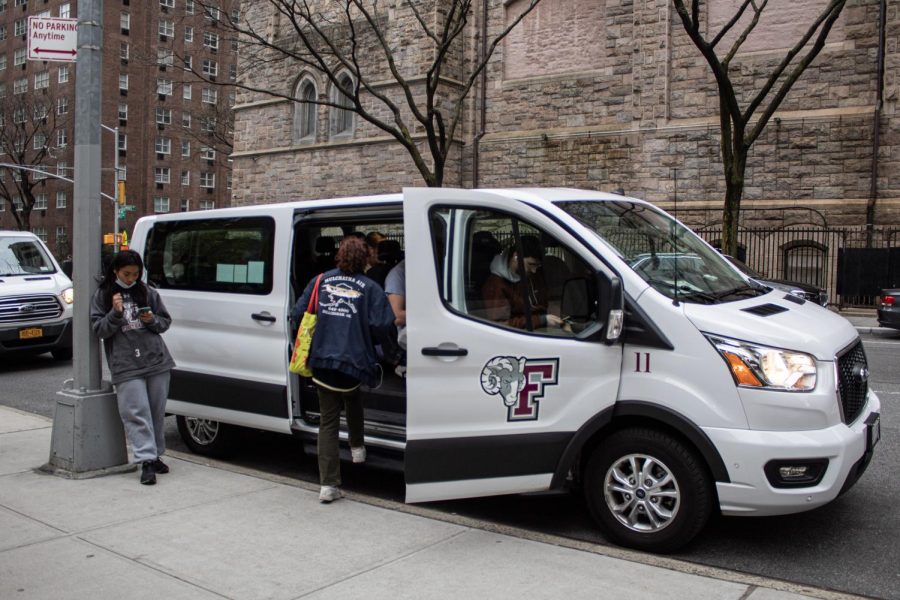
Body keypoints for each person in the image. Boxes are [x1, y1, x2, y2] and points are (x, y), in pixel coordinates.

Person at [291, 236, 396, 503]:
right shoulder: (371, 288)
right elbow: (384, 326)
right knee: (352, 396)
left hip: (322, 360)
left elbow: (298, 313)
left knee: (328, 421)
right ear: (365, 259)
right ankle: (358, 447)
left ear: (339, 256)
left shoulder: (320, 281)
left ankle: (328, 485)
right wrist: (388, 351)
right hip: (354, 362)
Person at [90, 250, 176, 486]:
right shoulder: (104, 294)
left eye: (136, 274)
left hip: (156, 359)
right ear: (115, 271)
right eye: (126, 274)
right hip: (126, 363)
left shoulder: (147, 291)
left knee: (156, 412)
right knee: (136, 412)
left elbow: (164, 322)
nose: (131, 279)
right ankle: (146, 460)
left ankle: (155, 455)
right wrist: (115, 314)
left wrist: (151, 321)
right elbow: (99, 329)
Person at [481, 236, 568, 331]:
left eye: (537, 265)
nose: (534, 270)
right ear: (516, 256)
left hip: (540, 329)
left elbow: (544, 303)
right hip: (520, 336)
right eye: (531, 264)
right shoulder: (496, 284)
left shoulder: (533, 274)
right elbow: (500, 325)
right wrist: (542, 320)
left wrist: (559, 318)